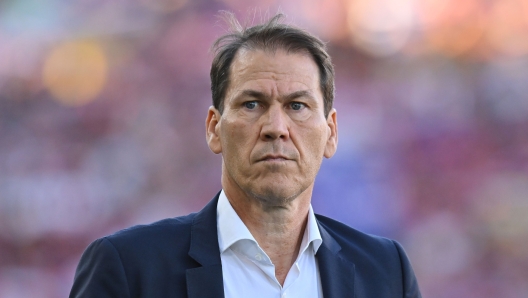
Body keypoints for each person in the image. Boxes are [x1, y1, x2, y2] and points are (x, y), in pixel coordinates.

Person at [70, 13, 421, 298]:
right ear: (214, 128)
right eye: (252, 104)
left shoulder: (386, 271)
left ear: (331, 132)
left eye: (297, 106)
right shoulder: (130, 269)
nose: (276, 127)